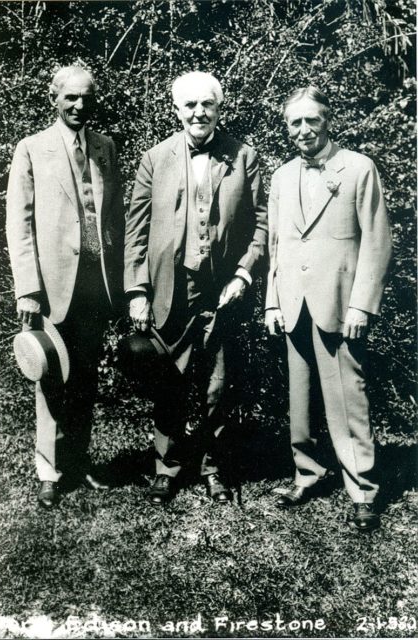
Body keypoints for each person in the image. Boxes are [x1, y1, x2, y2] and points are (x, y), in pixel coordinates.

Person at [124, 71, 267, 506]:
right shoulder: (155, 159)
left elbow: (263, 223)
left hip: (222, 288)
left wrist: (243, 273)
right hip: (170, 287)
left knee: (217, 384)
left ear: (219, 109)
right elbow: (136, 230)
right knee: (169, 380)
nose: (198, 112)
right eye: (189, 105)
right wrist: (137, 291)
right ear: (177, 110)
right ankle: (166, 470)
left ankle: (213, 469)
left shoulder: (244, 156)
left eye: (207, 104)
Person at [265, 86, 392, 531]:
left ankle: (362, 489)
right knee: (298, 400)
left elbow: (377, 242)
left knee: (346, 398)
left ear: (327, 120)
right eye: (294, 122)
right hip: (293, 304)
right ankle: (308, 473)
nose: (303, 129)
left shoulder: (358, 168)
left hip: (339, 304)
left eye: (311, 120)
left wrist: (362, 305)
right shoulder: (280, 177)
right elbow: (276, 245)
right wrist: (271, 301)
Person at [6, 65, 125, 508]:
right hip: (52, 284)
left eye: (86, 97)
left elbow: (114, 218)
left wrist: (122, 281)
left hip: (97, 284)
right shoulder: (32, 149)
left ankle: (79, 461)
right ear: (54, 99)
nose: (79, 106)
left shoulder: (106, 147)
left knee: (87, 375)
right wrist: (28, 288)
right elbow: (18, 226)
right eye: (70, 98)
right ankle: (48, 470)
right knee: (51, 374)